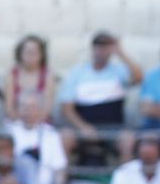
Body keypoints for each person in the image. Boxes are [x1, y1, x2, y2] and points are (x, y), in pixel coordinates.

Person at [60, 31, 143, 167]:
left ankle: (127, 183)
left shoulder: (119, 71)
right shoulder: (77, 73)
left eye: (105, 47)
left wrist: (121, 53)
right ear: (92, 49)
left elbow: (139, 77)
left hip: (113, 128)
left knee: (128, 139)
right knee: (65, 137)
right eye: (99, 46)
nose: (101, 51)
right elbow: (67, 109)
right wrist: (83, 127)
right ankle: (61, 183)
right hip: (83, 128)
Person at [7, 91, 69, 184]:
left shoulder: (50, 134)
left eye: (32, 107)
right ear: (17, 109)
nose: (28, 111)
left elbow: (60, 168)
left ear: (40, 110)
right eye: (24, 106)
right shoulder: (8, 132)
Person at [3, 34, 58, 123]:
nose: (31, 56)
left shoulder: (48, 74)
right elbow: (9, 107)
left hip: (41, 122)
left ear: (41, 55)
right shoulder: (12, 74)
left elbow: (47, 107)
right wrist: (20, 124)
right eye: (27, 52)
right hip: (15, 121)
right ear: (20, 54)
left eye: (34, 52)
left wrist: (33, 125)